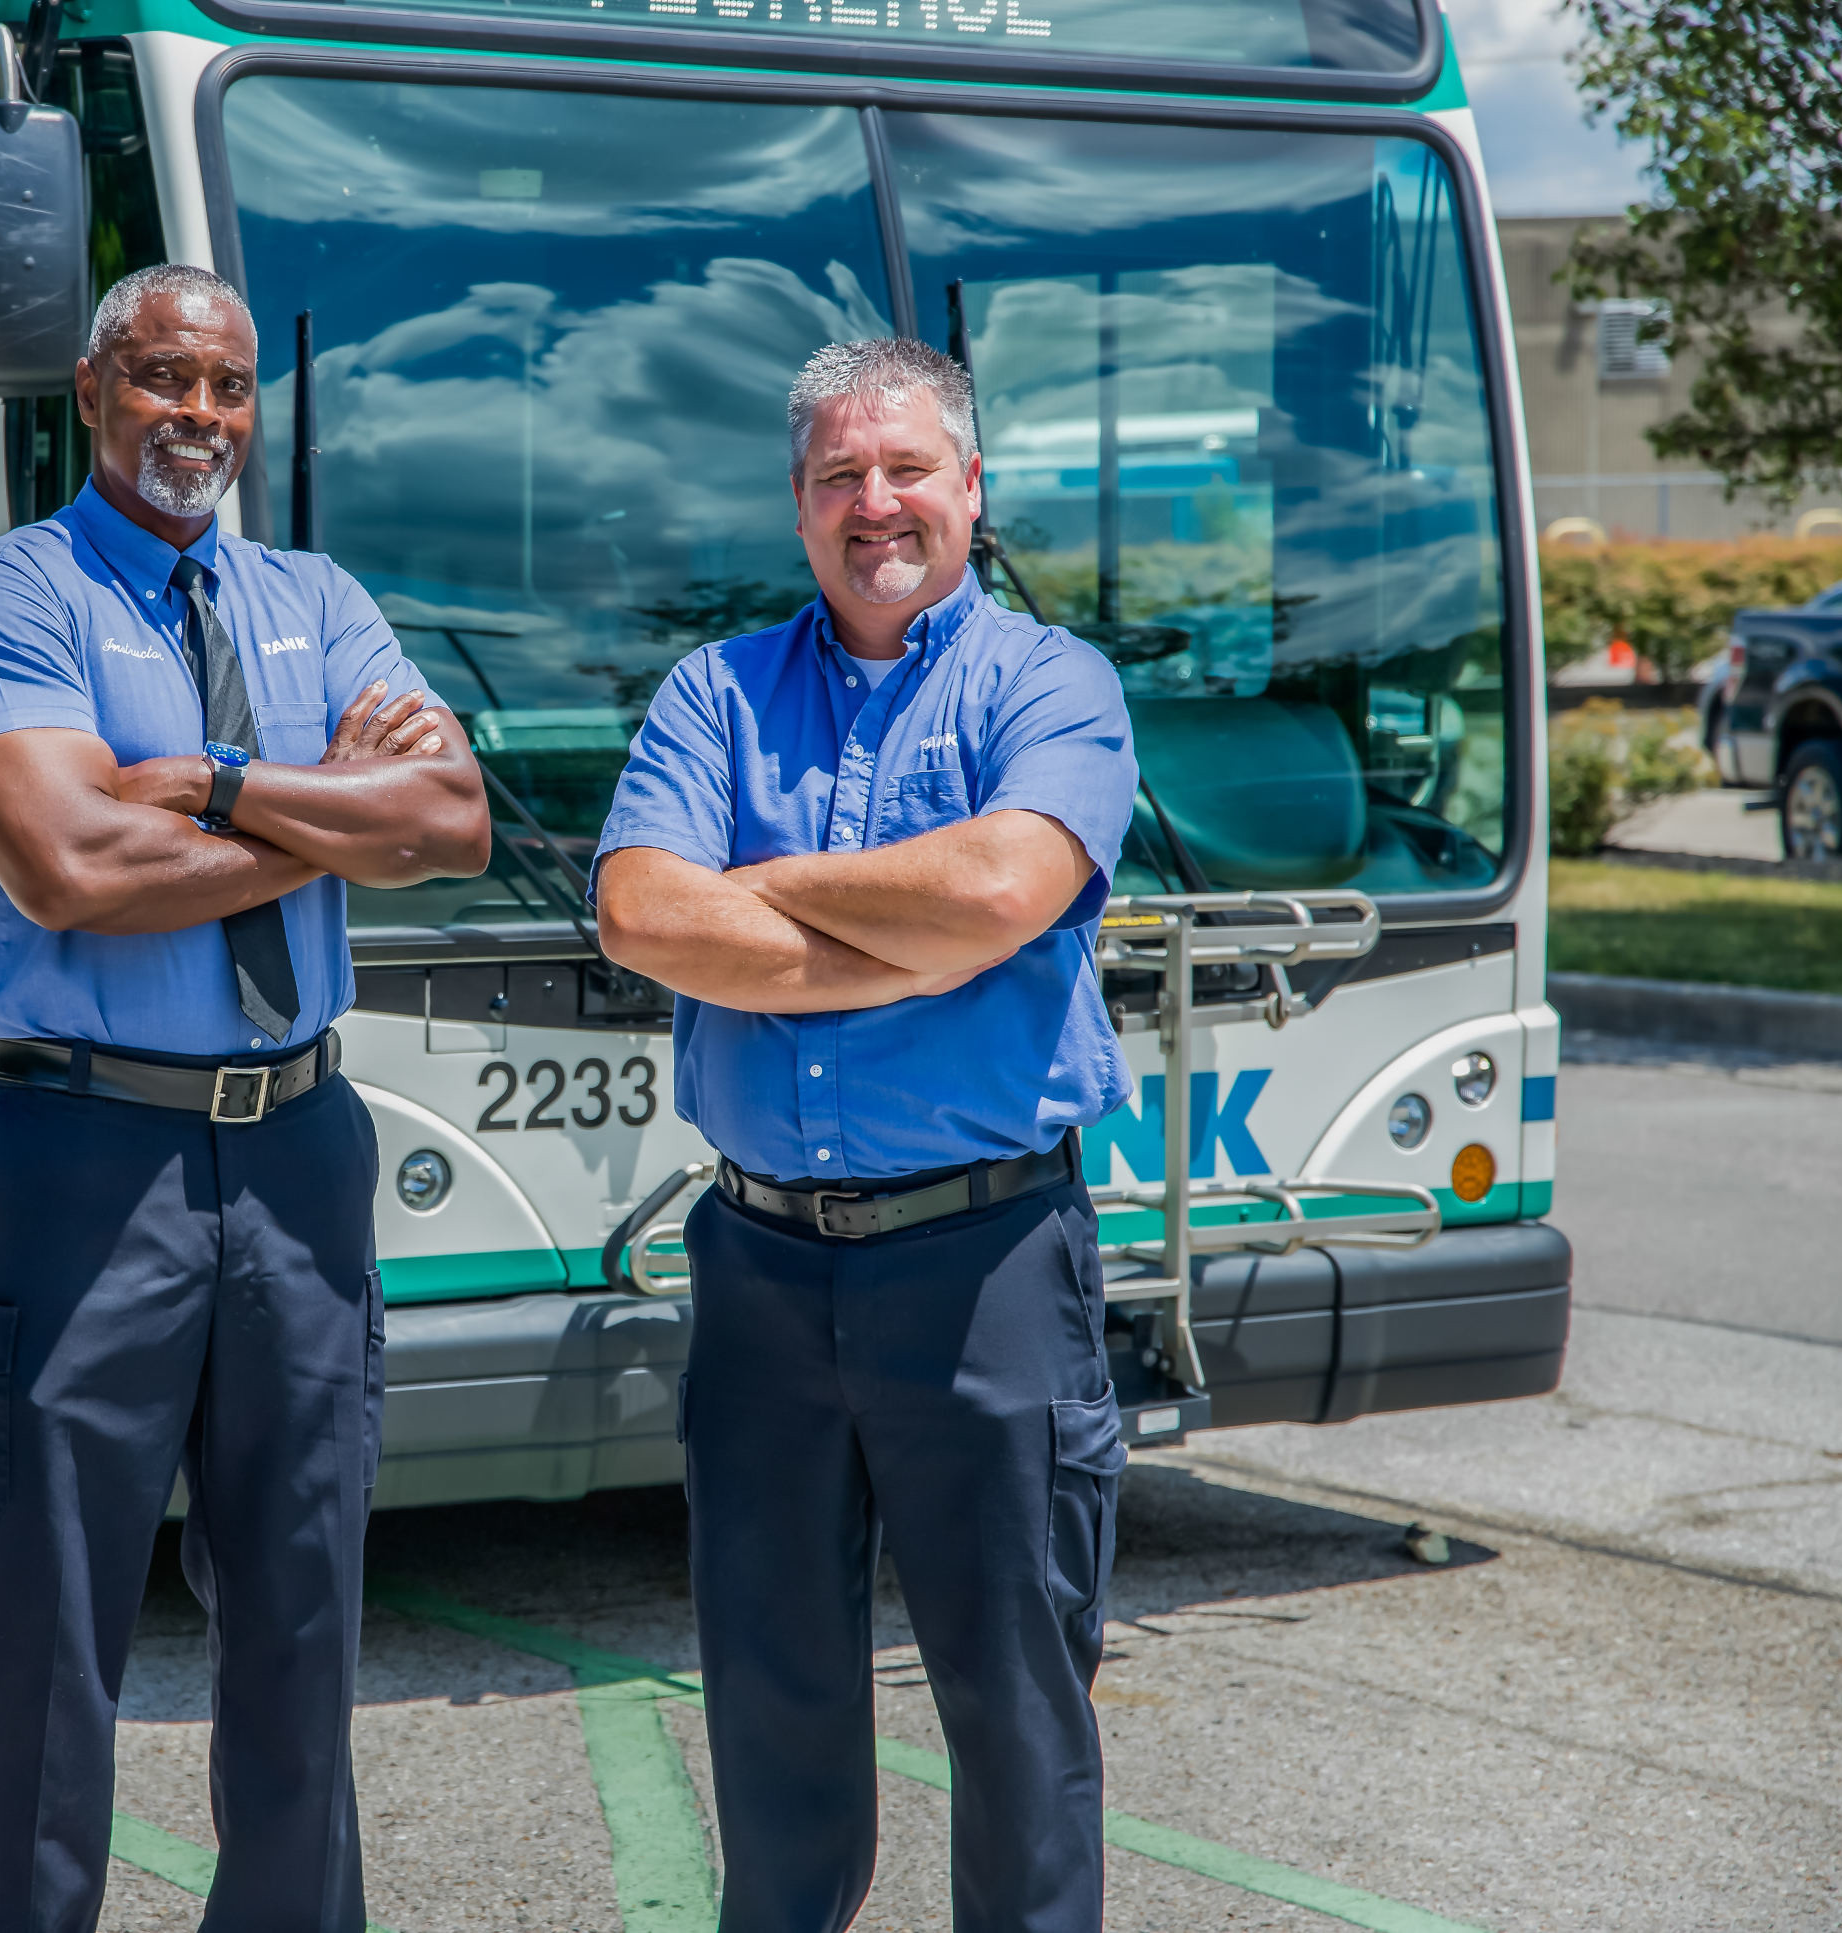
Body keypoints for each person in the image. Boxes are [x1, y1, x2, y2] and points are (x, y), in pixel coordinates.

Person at [0, 262, 490, 1933]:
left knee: (305, 1616)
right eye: (165, 377)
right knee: (42, 1625)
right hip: (85, 1157)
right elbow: (75, 866)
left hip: (301, 1151)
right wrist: (332, 810)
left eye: (228, 385)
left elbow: (452, 822)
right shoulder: (5, 597)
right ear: (93, 392)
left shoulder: (318, 595)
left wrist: (220, 784)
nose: (201, 414)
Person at [593, 336, 1139, 1933]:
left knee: (1019, 1701)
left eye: (907, 468)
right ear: (799, 503)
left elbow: (1004, 886)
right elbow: (640, 913)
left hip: (987, 1262)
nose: (874, 502)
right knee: (771, 1699)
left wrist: (756, 892)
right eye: (840, 474)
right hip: (759, 1267)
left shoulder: (1051, 684)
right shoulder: (716, 690)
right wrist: (911, 941)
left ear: (971, 487)